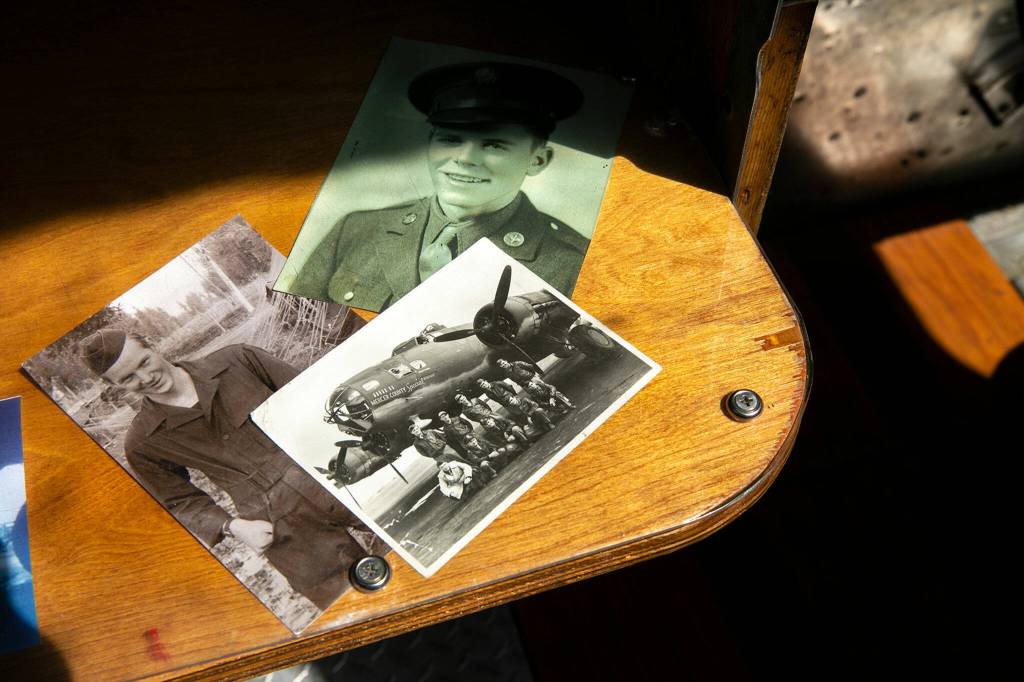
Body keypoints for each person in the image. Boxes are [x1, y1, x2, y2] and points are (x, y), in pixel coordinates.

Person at [79, 329, 383, 610]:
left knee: (422, 531)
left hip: (337, 468)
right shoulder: (142, 441)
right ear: (114, 386)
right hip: (278, 523)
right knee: (349, 603)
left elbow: (314, 397)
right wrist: (233, 527)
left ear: (152, 346)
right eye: (129, 379)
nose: (146, 377)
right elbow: (179, 500)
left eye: (144, 362)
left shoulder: (237, 360)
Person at [290, 61, 589, 311]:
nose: (464, 159)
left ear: (537, 160)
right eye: (450, 138)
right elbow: (291, 324)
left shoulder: (571, 264)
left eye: (494, 145)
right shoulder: (356, 229)